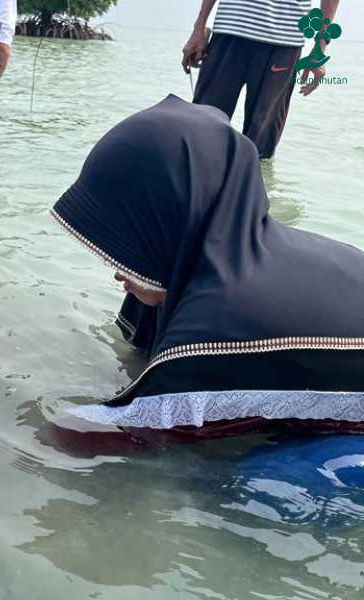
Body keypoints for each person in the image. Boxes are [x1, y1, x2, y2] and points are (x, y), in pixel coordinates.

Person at [49, 95, 364, 435]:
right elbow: (140, 362)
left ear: (174, 219)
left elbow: (112, 434)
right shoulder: (208, 251)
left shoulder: (222, 314)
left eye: (129, 242)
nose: (117, 269)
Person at [182, 0, 340, 159]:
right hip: (229, 29)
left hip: (283, 42)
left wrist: (320, 47)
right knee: (201, 133)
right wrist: (199, 27)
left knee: (259, 150)